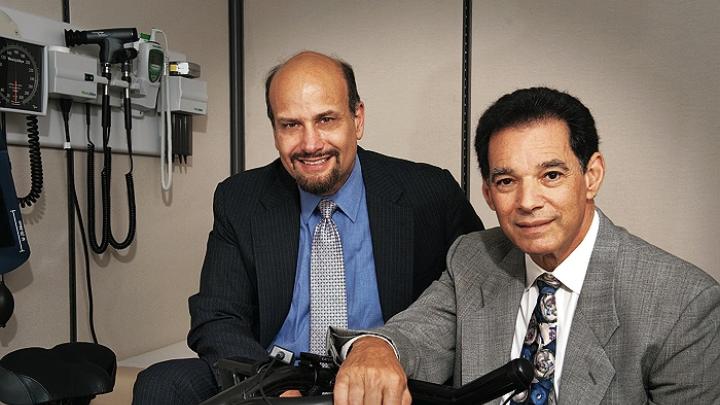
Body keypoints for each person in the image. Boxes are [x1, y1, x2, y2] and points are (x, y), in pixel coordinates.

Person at [132, 51, 483, 404]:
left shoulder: (429, 193)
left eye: (326, 119)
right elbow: (217, 315)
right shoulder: (240, 199)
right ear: (274, 130)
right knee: (162, 383)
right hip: (273, 377)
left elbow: (476, 293)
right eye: (290, 125)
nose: (310, 144)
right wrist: (273, 387)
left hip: (381, 383)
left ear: (357, 119)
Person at [332, 87, 720, 405]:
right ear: (487, 193)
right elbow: (417, 335)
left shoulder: (683, 305)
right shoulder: (474, 257)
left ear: (592, 176)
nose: (527, 201)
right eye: (506, 181)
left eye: (551, 175)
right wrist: (374, 348)